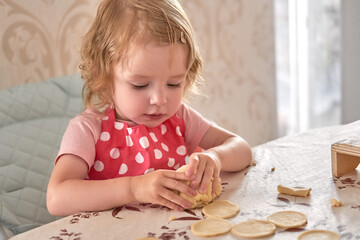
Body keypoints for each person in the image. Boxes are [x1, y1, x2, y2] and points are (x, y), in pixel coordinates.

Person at [46, 0, 252, 217]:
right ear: (105, 77)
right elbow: (57, 198)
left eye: (174, 83)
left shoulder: (181, 118)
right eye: (140, 85)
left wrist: (216, 158)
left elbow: (242, 149)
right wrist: (133, 188)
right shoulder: (89, 129)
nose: (159, 99)